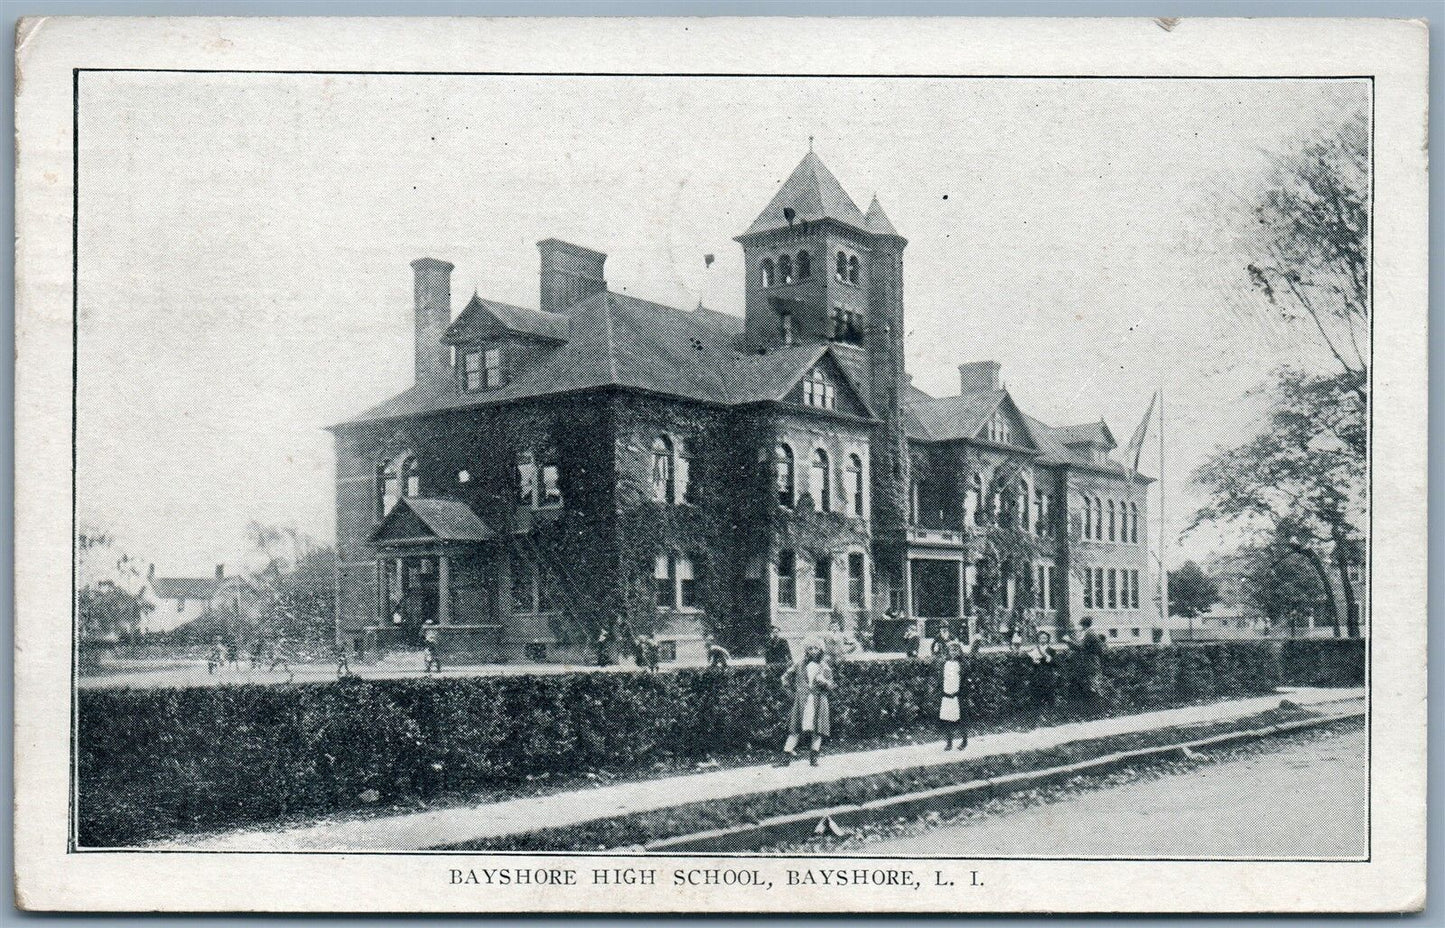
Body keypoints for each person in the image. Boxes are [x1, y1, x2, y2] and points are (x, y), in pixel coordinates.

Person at [777, 643, 834, 767]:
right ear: (806, 651)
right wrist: (792, 693)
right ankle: (785, 759)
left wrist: (824, 682)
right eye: (810, 648)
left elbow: (831, 685)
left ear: (820, 650)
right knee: (795, 729)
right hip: (802, 701)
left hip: (819, 700)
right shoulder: (799, 664)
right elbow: (785, 678)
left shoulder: (824, 666)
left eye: (816, 648)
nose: (813, 651)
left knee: (817, 730)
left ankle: (813, 759)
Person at [937, 640, 969, 750]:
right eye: (951, 650)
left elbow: (964, 680)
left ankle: (964, 741)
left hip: (957, 695)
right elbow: (942, 678)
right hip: (946, 694)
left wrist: (961, 692)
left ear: (959, 651)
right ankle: (949, 742)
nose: (954, 653)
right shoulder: (945, 663)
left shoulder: (962, 664)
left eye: (956, 650)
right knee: (946, 719)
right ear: (948, 651)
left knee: (960, 719)